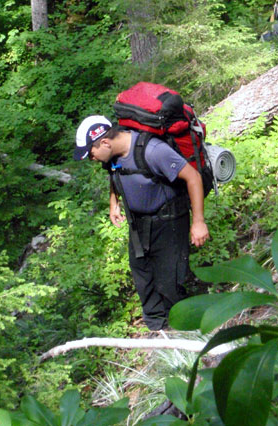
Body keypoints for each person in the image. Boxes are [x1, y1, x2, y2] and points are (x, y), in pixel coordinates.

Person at [73, 115, 209, 331]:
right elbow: (115, 172)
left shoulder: (153, 151)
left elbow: (193, 177)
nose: (92, 159)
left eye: (91, 154)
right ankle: (157, 328)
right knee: (143, 276)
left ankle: (185, 330)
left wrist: (199, 222)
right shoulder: (112, 155)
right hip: (139, 224)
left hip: (169, 221)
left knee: (170, 280)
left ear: (105, 143)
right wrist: (113, 201)